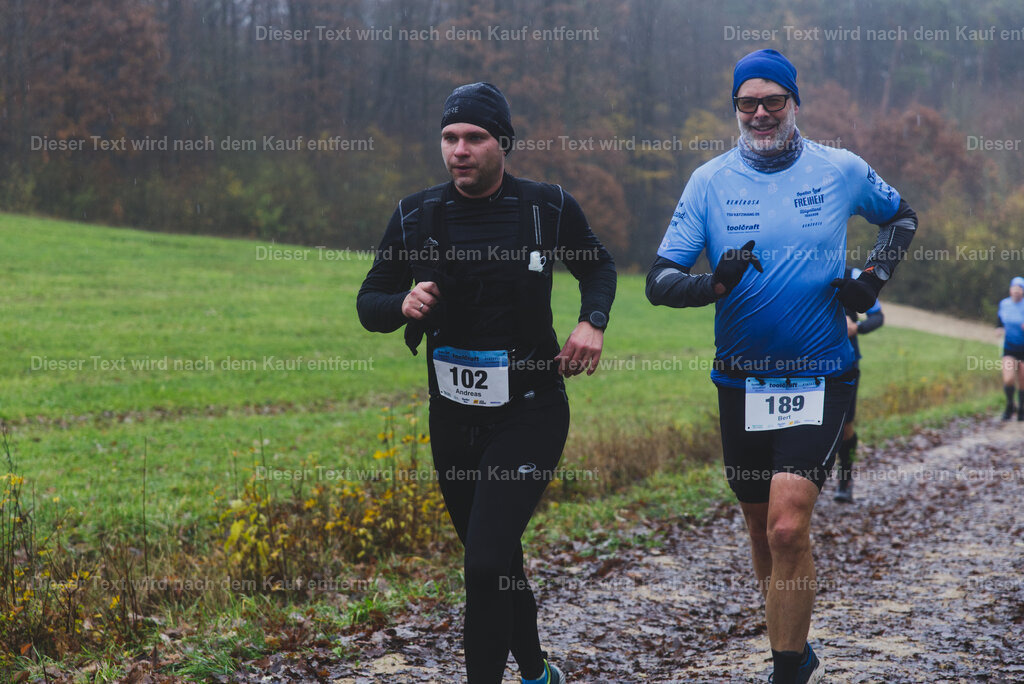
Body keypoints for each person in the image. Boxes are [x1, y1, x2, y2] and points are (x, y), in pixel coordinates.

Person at [646, 49, 917, 683]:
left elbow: (901, 216)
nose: (761, 113)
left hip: (819, 373)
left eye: (774, 101)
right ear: (735, 108)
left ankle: (787, 669)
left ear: (795, 103)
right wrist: (714, 285)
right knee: (762, 529)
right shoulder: (709, 182)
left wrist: (872, 279)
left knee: (789, 523)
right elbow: (660, 280)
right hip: (739, 380)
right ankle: (791, 643)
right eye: (748, 103)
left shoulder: (841, 169)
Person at [357, 82, 616, 684]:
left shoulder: (546, 207)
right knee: (495, 560)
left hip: (530, 410)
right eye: (449, 138)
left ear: (504, 143)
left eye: (474, 137)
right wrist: (404, 302)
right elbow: (369, 303)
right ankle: (535, 672)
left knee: (486, 560)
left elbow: (598, 264)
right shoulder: (415, 213)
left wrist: (591, 320)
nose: (459, 150)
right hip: (452, 418)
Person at [833, 267, 884, 503]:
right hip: (808, 364)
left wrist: (857, 327)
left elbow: (877, 316)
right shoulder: (804, 269)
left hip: (847, 362)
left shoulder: (854, 274)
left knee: (845, 427)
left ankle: (845, 478)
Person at [997, 276, 1024, 420]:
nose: (1017, 291)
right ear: (1010, 290)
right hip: (1009, 347)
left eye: (1020, 289)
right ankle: (1009, 406)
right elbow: (999, 321)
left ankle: (1022, 408)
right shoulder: (1004, 304)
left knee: (1022, 381)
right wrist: (999, 329)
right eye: (1014, 288)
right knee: (1008, 379)